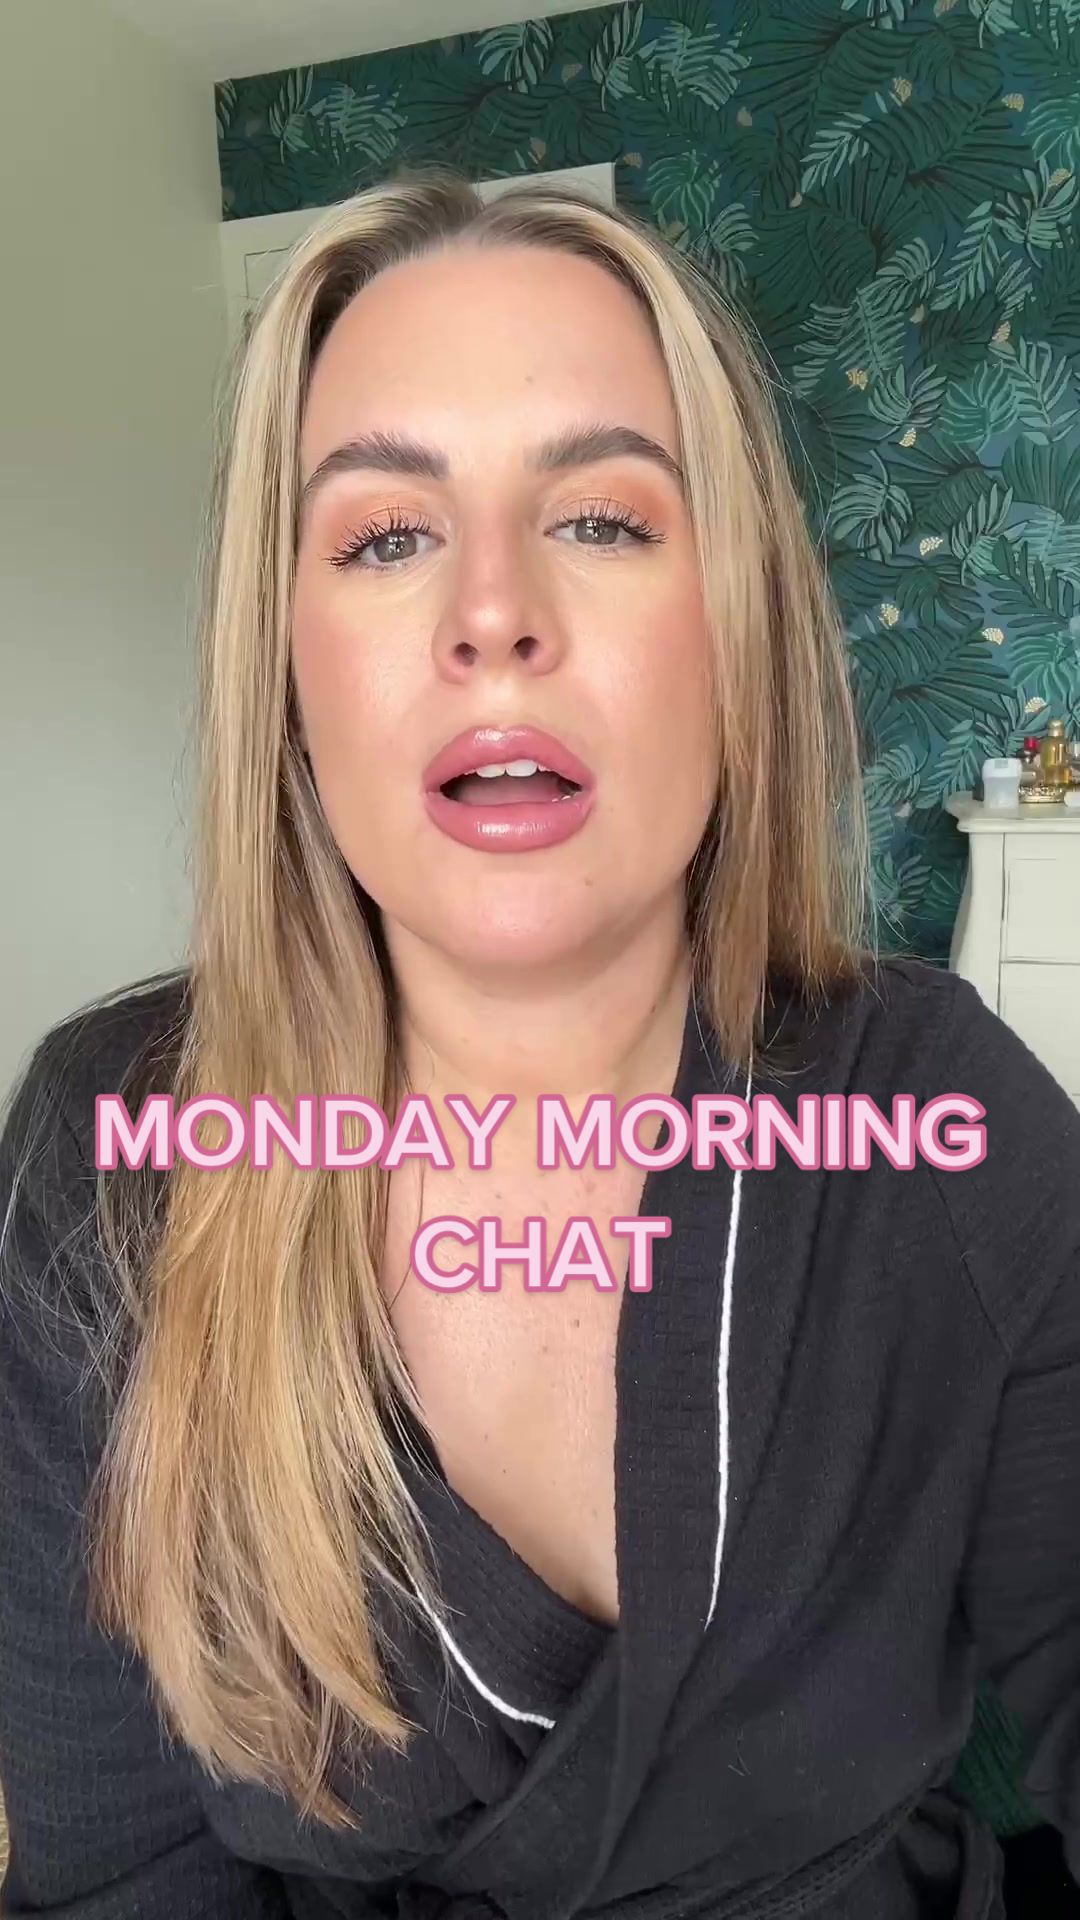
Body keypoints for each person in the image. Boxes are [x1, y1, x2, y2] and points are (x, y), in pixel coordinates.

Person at [1, 166, 1078, 1920]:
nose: (492, 611)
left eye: (600, 520)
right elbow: (121, 1873)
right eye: (384, 537)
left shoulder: (942, 1118)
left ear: (734, 628)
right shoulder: (109, 1145)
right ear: (288, 671)